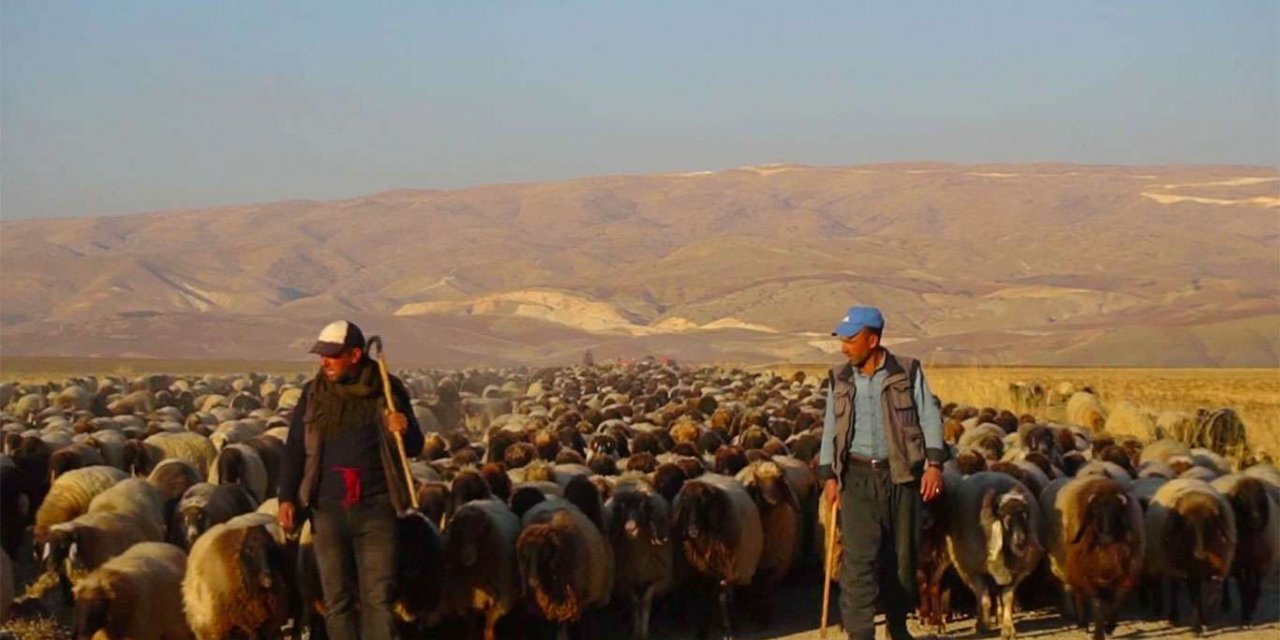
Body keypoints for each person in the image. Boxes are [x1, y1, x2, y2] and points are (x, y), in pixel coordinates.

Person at [277, 320, 424, 640]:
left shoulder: (387, 390)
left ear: (355, 355)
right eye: (322, 356)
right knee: (336, 600)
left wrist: (403, 428)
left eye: (332, 355)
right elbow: (295, 448)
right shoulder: (314, 393)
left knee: (378, 598)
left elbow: (414, 447)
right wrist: (286, 496)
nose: (324, 362)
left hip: (377, 507)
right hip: (326, 509)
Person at [817, 306, 947, 640]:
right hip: (856, 477)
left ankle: (897, 626)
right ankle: (860, 634)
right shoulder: (839, 377)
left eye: (851, 340)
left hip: (901, 477)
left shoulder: (907, 371)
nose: (844, 347)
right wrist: (829, 475)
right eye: (842, 340)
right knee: (858, 562)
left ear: (872, 340)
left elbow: (929, 415)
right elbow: (830, 426)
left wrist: (934, 464)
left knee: (902, 560)